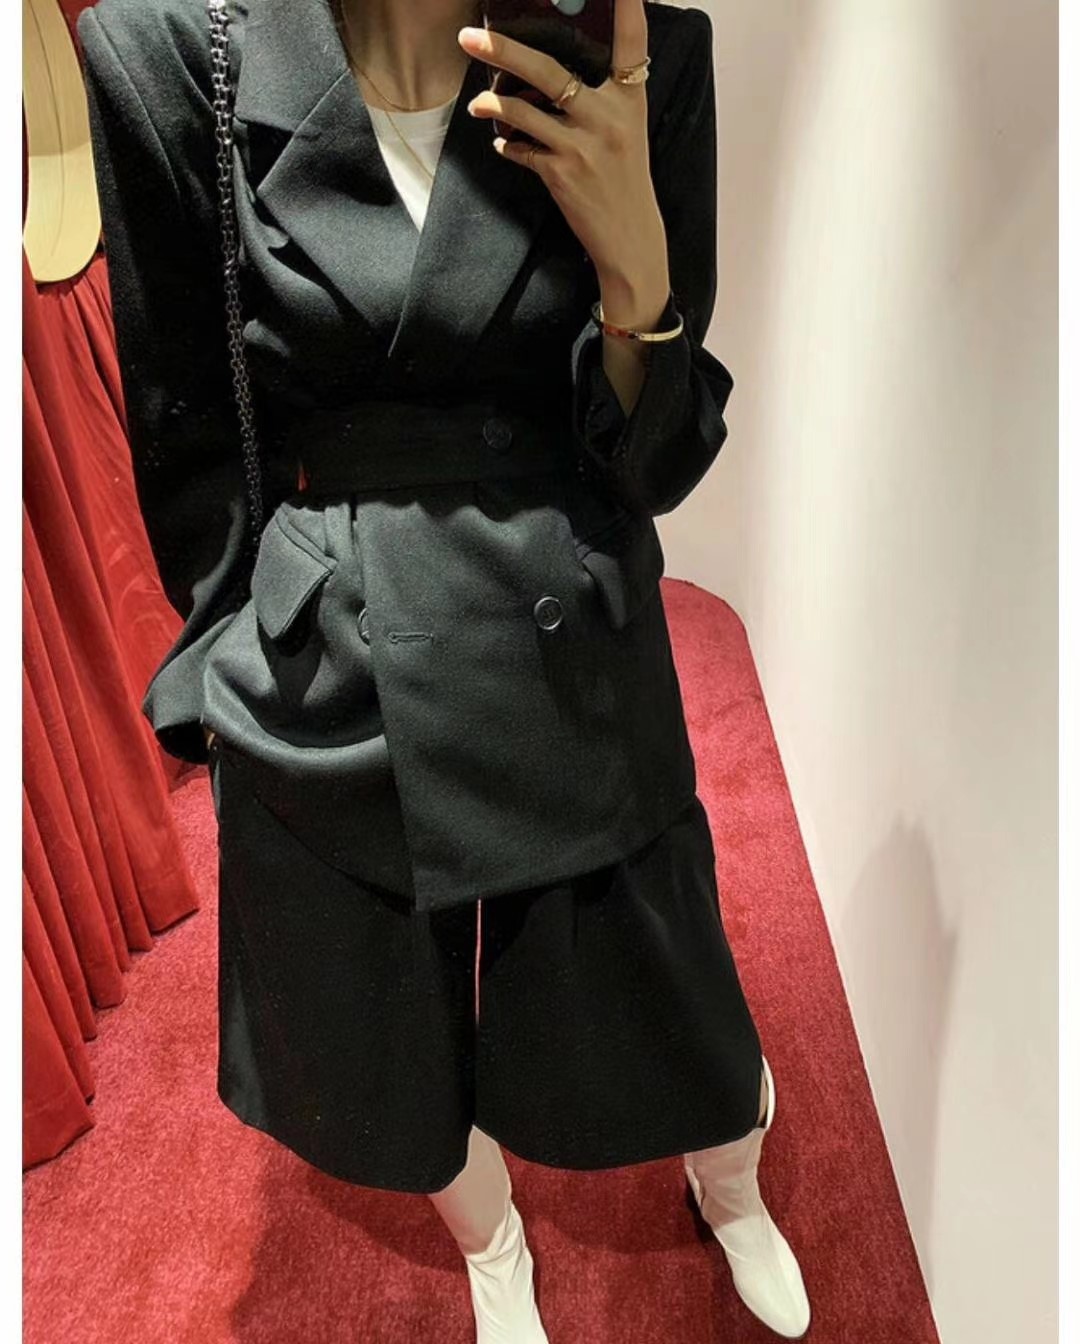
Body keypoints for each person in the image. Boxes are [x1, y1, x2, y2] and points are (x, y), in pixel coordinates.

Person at [76, 0, 811, 1338]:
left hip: (569, 627)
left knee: (671, 992)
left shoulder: (639, 48)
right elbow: (187, 425)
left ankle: (730, 1181)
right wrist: (226, 662)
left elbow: (655, 468)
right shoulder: (177, 51)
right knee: (387, 1041)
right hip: (328, 651)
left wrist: (638, 273)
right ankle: (494, 1243)